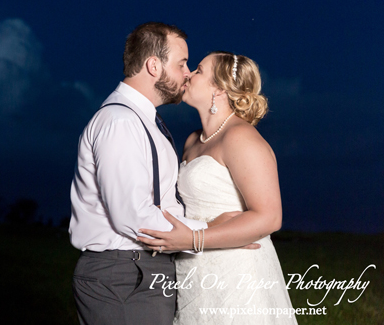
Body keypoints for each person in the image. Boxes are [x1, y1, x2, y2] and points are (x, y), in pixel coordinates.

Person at [69, 23, 241, 325]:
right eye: (181, 64)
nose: (187, 73)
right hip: (123, 275)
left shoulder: (145, 121)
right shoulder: (120, 121)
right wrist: (209, 231)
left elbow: (163, 202)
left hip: (140, 272)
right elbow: (132, 217)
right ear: (153, 65)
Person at [137, 52, 296, 324]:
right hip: (195, 272)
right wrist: (201, 231)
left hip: (236, 271)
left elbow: (270, 217)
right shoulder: (192, 141)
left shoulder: (240, 137)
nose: (188, 74)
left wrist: (193, 239)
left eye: (198, 70)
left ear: (219, 88)